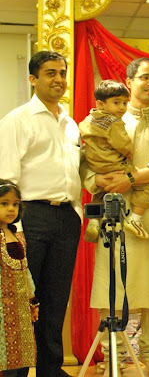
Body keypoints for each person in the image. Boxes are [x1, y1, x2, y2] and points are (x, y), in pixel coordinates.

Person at [84, 57, 149, 377]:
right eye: (145, 77)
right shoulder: (107, 118)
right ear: (129, 82)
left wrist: (130, 179)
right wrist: (97, 180)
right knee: (113, 283)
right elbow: (86, 159)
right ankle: (112, 354)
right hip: (115, 212)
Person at [0, 50, 82, 377]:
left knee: (55, 300)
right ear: (33, 79)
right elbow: (6, 178)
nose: (59, 79)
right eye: (50, 73)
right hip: (29, 217)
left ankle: (51, 369)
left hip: (66, 219)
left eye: (62, 73)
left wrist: (77, 214)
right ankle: (16, 372)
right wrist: (12, 227)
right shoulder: (17, 120)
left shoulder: (70, 123)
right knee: (22, 300)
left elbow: (74, 174)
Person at [79, 80, 149, 241]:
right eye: (116, 102)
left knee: (99, 193)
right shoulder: (113, 123)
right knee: (146, 183)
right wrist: (130, 152)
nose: (122, 107)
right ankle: (135, 219)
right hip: (115, 165)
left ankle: (93, 221)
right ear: (101, 104)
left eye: (124, 103)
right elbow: (123, 143)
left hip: (96, 167)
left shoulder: (88, 120)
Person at [0, 180, 39, 377]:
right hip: (2, 310)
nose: (11, 209)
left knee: (21, 356)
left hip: (20, 308)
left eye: (15, 204)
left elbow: (26, 271)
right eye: (4, 203)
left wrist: (32, 300)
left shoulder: (16, 235)